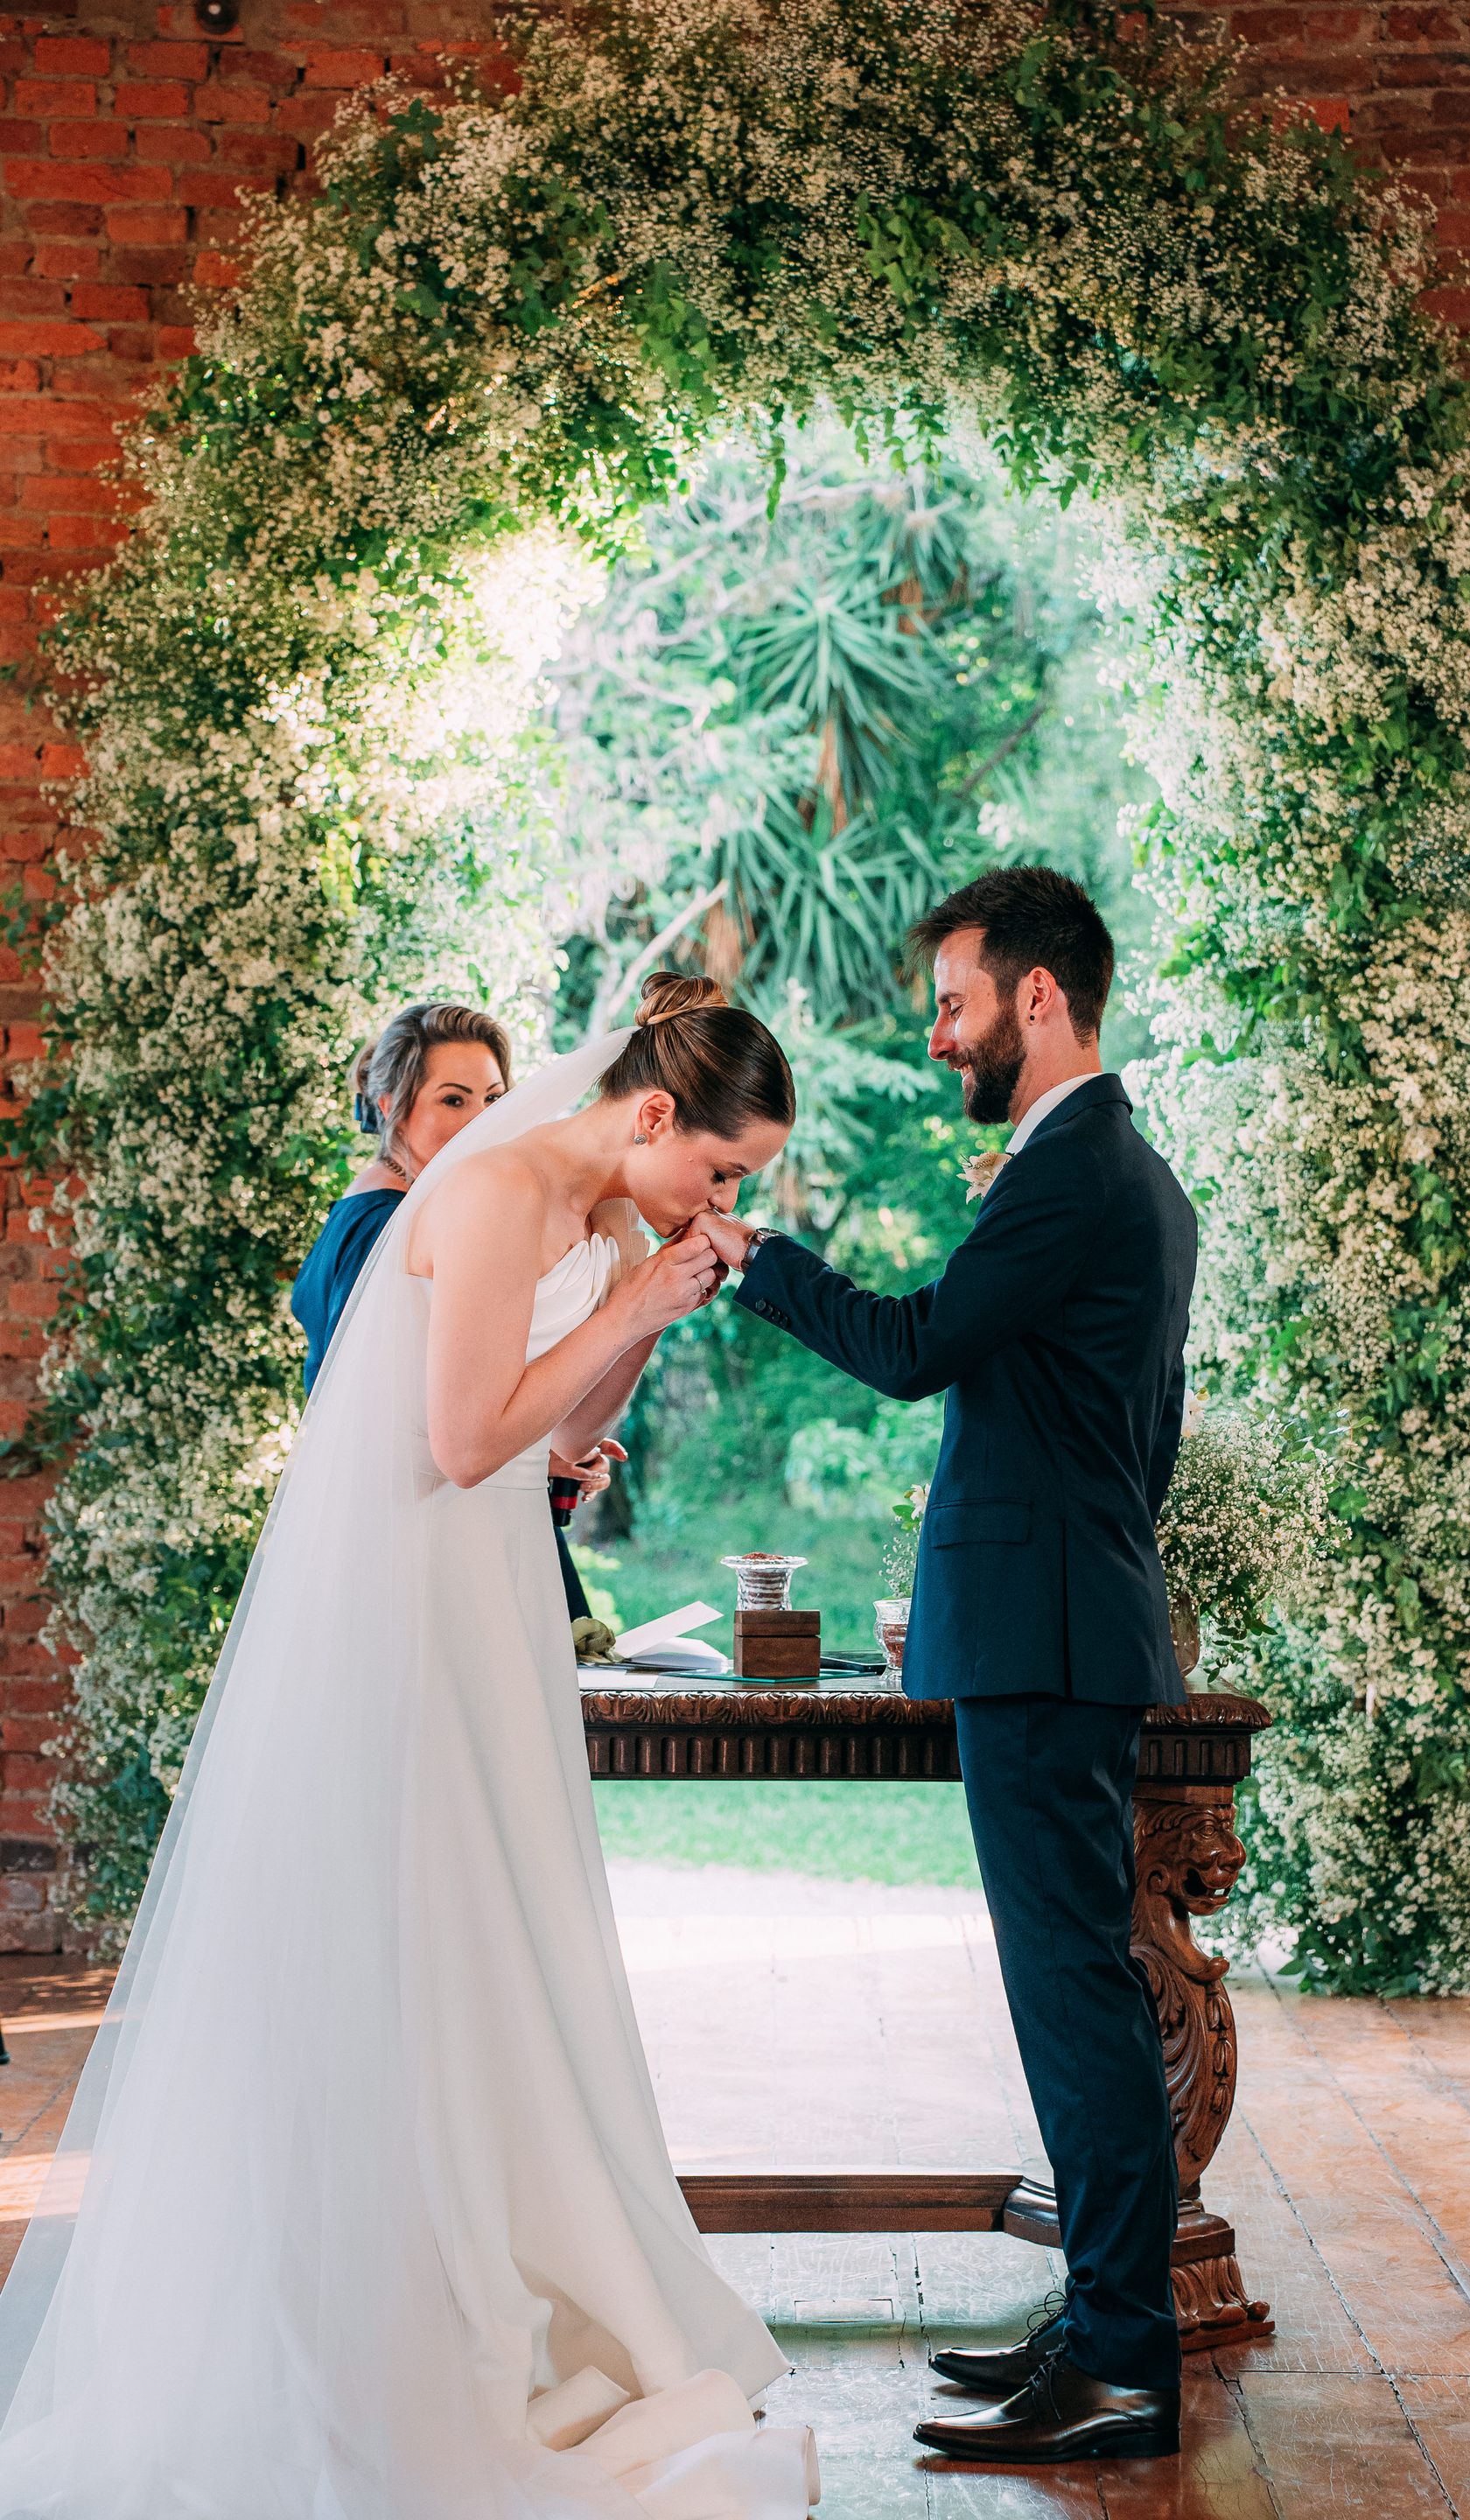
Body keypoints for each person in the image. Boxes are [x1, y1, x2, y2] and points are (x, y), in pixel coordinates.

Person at [0, 975, 816, 2520]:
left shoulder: (609, 1212)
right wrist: (632, 1304)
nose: (719, 1203)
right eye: (718, 1172)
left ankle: (503, 2241)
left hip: (497, 1586)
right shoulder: (498, 1188)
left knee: (501, 1930)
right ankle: (379, 2294)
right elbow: (457, 1444)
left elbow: (556, 1440)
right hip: (409, 1583)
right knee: (412, 1921)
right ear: (654, 1113)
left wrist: (651, 1312)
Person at [695, 868, 1194, 2467]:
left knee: (1076, 2001)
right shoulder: (1124, 1174)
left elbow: (916, 1350)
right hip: (1067, 1624)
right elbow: (1139, 1442)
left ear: (1039, 996)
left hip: (1046, 1642)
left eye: (956, 1000)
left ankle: (1124, 2360)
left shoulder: (1079, 1171)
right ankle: (1099, 2323)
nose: (938, 1034)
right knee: (1074, 1993)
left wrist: (757, 1260)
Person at [292, 999, 619, 1621]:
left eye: (494, 1098)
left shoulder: (412, 1207)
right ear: (390, 1106)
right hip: (418, 1533)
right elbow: (378, 1411)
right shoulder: (383, 1228)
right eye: (453, 1100)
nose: (481, 1120)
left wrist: (550, 1451)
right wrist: (536, 1458)